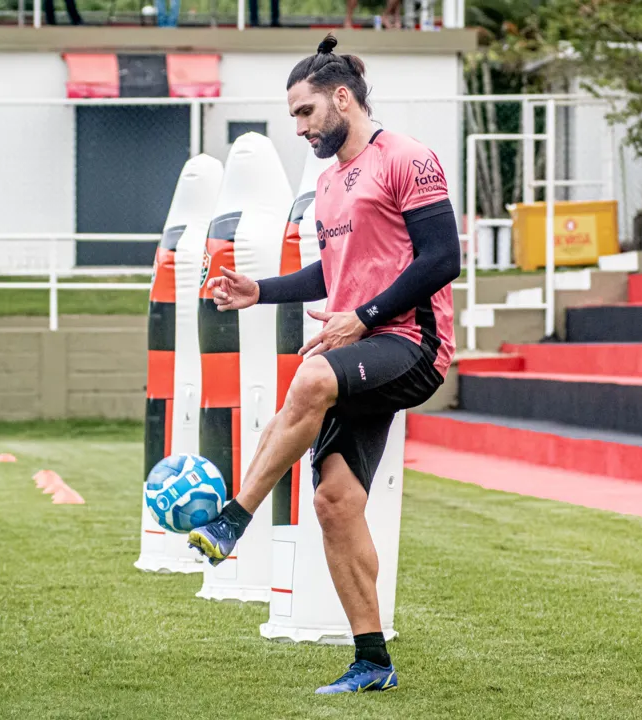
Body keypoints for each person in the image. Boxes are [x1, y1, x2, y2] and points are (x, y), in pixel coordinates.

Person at [188, 33, 460, 695]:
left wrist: (363, 317)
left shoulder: (408, 158)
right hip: (360, 350)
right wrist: (262, 291)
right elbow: (331, 273)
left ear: (343, 97)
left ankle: (234, 516)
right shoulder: (332, 183)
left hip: (413, 345)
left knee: (310, 375)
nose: (300, 127)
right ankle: (373, 662)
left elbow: (441, 258)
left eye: (306, 112)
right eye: (294, 117)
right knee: (334, 502)